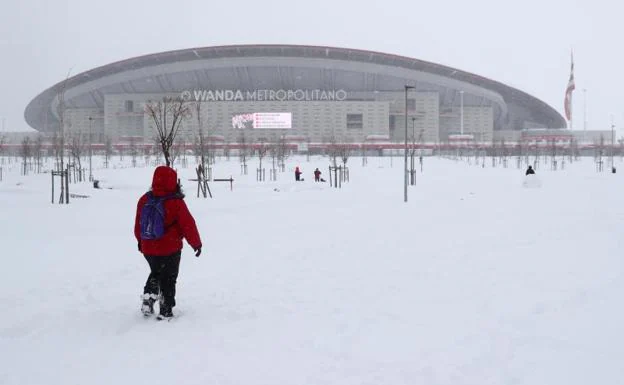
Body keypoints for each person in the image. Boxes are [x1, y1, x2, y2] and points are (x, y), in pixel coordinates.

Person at [134, 166, 202, 319]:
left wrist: (140, 241)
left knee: (156, 272)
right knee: (169, 278)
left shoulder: (144, 199)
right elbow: (187, 224)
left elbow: (138, 224)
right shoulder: (175, 202)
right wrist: (196, 244)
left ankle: (148, 298)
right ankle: (165, 310)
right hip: (170, 247)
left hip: (148, 247)